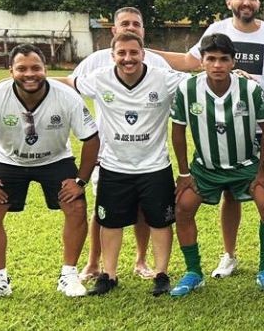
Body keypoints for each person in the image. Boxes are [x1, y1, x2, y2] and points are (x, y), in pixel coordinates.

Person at [154, 0, 264, 280]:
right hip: (220, 128)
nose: (246, 2)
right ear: (229, 2)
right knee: (229, 195)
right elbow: (189, 61)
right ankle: (229, 254)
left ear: (258, 2)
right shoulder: (216, 33)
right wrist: (145, 51)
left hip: (260, 126)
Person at [0, 44, 100, 304]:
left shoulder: (66, 96)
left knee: (76, 207)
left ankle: (68, 275)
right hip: (8, 159)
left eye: (36, 68)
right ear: (11, 71)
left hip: (55, 158)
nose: (30, 74)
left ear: (45, 69)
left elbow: (91, 138)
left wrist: (80, 181)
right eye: (22, 68)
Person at [68, 32, 189, 296]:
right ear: (113, 56)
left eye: (133, 53)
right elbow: (69, 83)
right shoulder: (100, 78)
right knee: (110, 223)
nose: (128, 58)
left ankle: (161, 273)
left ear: (143, 53)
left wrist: (236, 76)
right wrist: (30, 79)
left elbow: (199, 83)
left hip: (155, 165)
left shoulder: (164, 78)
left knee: (160, 222)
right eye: (121, 53)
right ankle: (108, 275)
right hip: (114, 165)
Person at [167, 33, 264, 297]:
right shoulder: (187, 89)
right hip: (205, 168)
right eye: (211, 59)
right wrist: (184, 173)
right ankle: (194, 272)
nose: (217, 65)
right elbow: (178, 132)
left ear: (233, 62)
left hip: (245, 165)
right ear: (202, 61)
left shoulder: (250, 89)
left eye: (223, 59)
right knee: (183, 208)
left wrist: (263, 170)